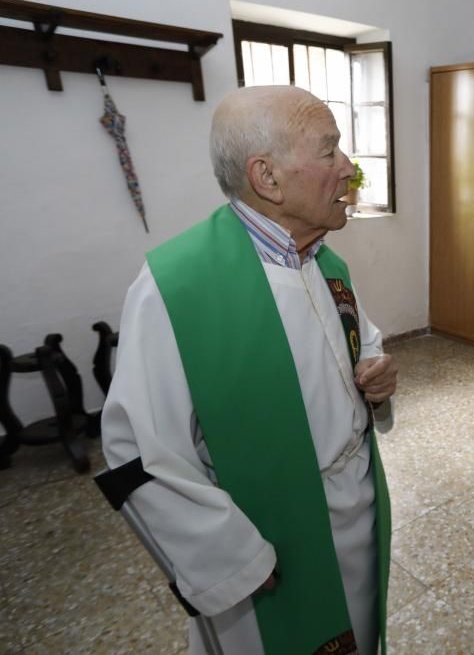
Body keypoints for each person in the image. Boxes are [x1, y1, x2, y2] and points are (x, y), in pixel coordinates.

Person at [101, 85, 396, 655]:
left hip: (355, 517)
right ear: (268, 177)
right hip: (266, 545)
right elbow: (137, 450)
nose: (349, 168)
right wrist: (232, 560)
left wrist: (377, 380)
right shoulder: (178, 287)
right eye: (330, 151)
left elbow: (359, 350)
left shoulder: (329, 264)